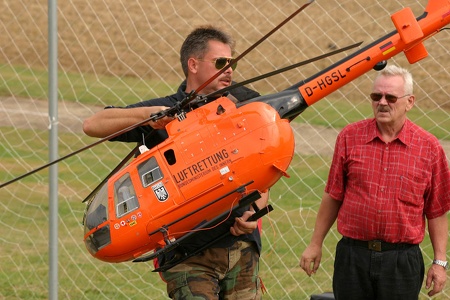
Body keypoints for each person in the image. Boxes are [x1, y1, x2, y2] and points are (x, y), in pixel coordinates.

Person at [83, 25, 267, 299]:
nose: (229, 70)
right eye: (220, 63)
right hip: (188, 253)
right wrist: (148, 115)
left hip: (241, 246)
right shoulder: (165, 112)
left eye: (232, 63)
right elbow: (92, 124)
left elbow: (266, 159)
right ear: (193, 64)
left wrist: (255, 210)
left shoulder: (247, 103)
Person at [299, 65, 450, 299]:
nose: (382, 102)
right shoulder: (349, 137)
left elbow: (437, 209)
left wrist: (440, 262)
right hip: (353, 257)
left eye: (390, 97)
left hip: (401, 261)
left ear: (409, 102)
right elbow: (333, 194)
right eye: (375, 96)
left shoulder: (429, 148)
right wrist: (315, 243)